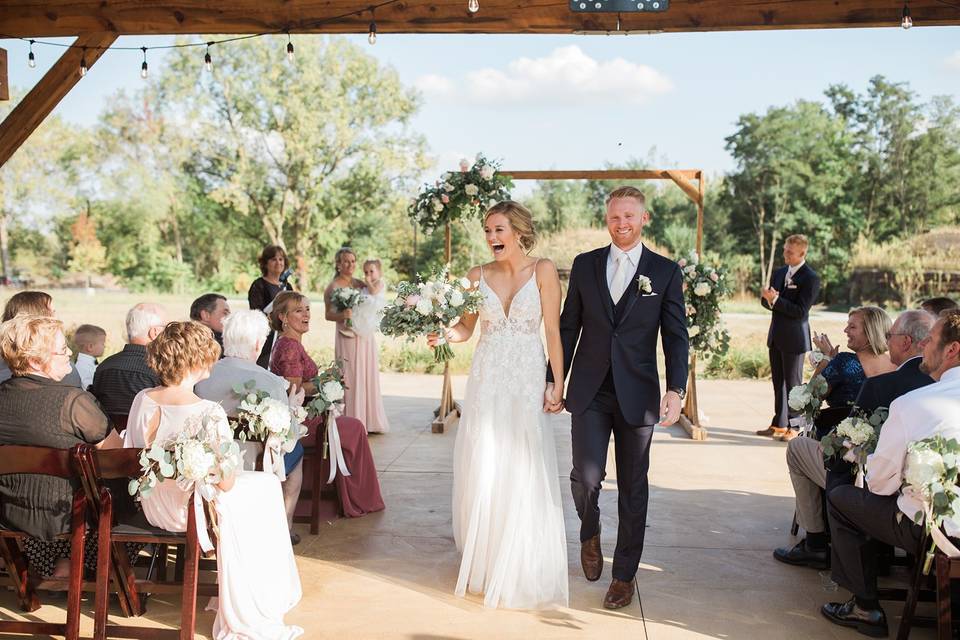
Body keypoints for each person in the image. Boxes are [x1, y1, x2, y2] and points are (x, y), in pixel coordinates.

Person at [551, 186, 689, 610]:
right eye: (615, 217)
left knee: (634, 486)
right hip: (590, 390)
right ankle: (589, 532)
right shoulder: (585, 264)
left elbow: (676, 336)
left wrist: (676, 389)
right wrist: (554, 379)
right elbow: (568, 326)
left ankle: (624, 575)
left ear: (644, 218)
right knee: (585, 478)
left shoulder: (664, 272)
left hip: (638, 393)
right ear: (606, 219)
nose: (622, 224)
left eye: (629, 216)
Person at [124, 321, 303, 640]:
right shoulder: (208, 411)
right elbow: (226, 483)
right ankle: (257, 589)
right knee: (265, 495)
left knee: (261, 488)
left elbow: (133, 455)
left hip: (152, 505)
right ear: (197, 362)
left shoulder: (142, 399)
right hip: (190, 512)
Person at [430, 200, 568, 609]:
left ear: (519, 231)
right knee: (486, 461)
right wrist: (442, 333)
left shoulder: (543, 270)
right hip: (488, 378)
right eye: (488, 230)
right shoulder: (477, 276)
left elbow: (554, 333)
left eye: (499, 230)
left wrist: (557, 382)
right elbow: (466, 330)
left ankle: (522, 563)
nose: (492, 238)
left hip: (526, 377)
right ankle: (488, 563)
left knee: (523, 462)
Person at [821, 310, 960, 638]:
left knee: (842, 496)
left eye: (931, 339)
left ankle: (865, 606)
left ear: (951, 350)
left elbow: (881, 486)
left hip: (939, 531)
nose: (923, 345)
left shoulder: (915, 404)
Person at [773, 309, 935, 570]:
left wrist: (826, 363)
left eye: (853, 327)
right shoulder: (906, 370)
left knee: (797, 448)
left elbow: (806, 399)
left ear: (870, 333)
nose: (846, 330)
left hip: (856, 469)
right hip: (904, 476)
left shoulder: (845, 364)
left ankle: (815, 542)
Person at [0, 315, 113, 578]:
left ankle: (56, 567)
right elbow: (115, 454)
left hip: (8, 513)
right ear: (35, 360)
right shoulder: (72, 402)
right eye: (62, 350)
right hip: (67, 516)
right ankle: (105, 571)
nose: (69, 355)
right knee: (130, 494)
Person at [194, 310, 306, 544]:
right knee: (298, 451)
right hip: (254, 464)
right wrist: (293, 408)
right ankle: (284, 526)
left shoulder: (203, 375)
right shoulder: (271, 382)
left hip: (208, 462)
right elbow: (286, 439)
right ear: (257, 344)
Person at [270, 291, 384, 517]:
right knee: (355, 428)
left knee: (351, 426)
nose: (306, 315)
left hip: (301, 415)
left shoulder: (290, 343)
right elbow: (293, 390)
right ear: (282, 317)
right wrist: (324, 382)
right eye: (298, 310)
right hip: (296, 423)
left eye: (308, 309)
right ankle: (358, 499)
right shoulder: (290, 347)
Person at [757, 235, 821, 440]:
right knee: (778, 382)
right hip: (776, 335)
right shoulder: (779, 272)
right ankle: (779, 423)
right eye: (785, 250)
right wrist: (768, 298)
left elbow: (801, 310)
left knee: (794, 384)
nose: (785, 254)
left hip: (794, 338)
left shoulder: (810, 278)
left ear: (802, 253)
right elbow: (767, 304)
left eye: (789, 252)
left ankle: (796, 426)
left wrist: (775, 299)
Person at [324, 248, 389, 434]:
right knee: (350, 377)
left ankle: (369, 420)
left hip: (365, 337)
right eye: (346, 261)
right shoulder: (333, 287)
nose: (350, 265)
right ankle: (352, 421)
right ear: (338, 264)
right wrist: (342, 315)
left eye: (353, 261)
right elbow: (328, 315)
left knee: (366, 376)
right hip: (347, 337)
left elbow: (374, 295)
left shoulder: (360, 283)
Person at [91, 303, 165, 418]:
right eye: (167, 328)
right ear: (154, 332)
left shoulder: (103, 367)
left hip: (108, 433)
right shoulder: (161, 368)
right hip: (147, 434)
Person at [1, 291, 82, 387]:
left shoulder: (7, 364)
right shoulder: (62, 369)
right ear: (36, 321)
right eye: (52, 313)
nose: (57, 318)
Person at [248, 245, 294, 369]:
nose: (278, 262)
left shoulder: (287, 286)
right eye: (274, 259)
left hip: (283, 335)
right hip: (265, 336)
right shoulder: (259, 285)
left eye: (281, 259)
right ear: (265, 263)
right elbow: (256, 313)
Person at [73, 323, 106, 390]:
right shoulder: (83, 369)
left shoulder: (89, 365)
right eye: (103, 343)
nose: (105, 346)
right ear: (90, 347)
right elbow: (90, 390)